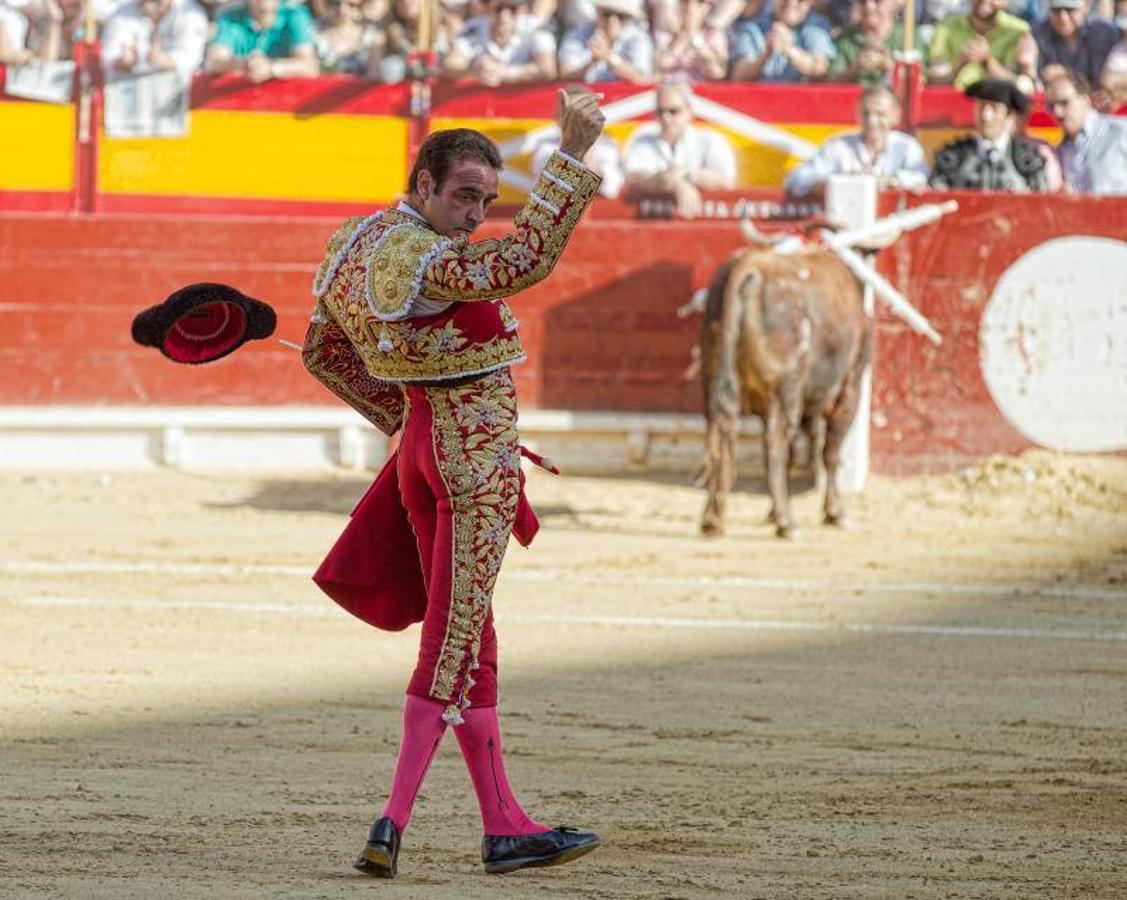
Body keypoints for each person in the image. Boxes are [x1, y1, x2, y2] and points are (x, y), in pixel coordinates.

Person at [301, 92, 607, 878]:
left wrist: (400, 415)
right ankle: (390, 818)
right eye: (463, 193)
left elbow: (322, 352)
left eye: (485, 198)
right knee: (452, 641)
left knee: (475, 637)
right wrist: (568, 158)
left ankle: (505, 823)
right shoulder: (427, 258)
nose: (473, 213)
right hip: (471, 467)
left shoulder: (357, 241)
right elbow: (523, 261)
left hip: (425, 453)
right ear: (424, 183)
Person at [785, 84, 930, 196]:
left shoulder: (906, 146)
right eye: (866, 114)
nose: (872, 121)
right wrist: (837, 183)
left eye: (880, 114)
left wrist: (890, 181)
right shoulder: (839, 145)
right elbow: (795, 180)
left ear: (895, 116)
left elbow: (921, 177)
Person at [622, 79, 738, 217]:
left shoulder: (711, 140)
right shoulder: (643, 140)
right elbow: (632, 180)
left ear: (689, 111)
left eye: (673, 111)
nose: (666, 118)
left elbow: (726, 181)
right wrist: (673, 183)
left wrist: (685, 175)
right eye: (660, 112)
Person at [930, 76, 1050, 190]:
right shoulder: (953, 157)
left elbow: (1044, 204)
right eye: (981, 107)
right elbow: (937, 198)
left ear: (1009, 115)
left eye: (995, 108)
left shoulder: (1028, 159)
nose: (985, 116)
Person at [530, 84, 625, 197]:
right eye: (571, 115)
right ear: (558, 118)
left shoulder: (608, 147)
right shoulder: (545, 148)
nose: (578, 121)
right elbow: (551, 195)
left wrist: (587, 150)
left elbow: (609, 192)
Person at [1045, 69, 1127, 193]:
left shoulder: (1120, 131)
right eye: (1051, 106)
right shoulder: (1060, 150)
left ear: (1085, 101)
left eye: (1064, 103)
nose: (1057, 112)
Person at [928, 0, 1038, 89]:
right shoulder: (945, 28)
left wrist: (987, 62)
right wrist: (960, 63)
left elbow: (1024, 87)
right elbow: (934, 81)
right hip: (953, 105)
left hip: (1000, 108)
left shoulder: (1019, 31)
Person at [441, 0, 557, 84]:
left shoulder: (535, 29)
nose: (504, 16)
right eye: (498, 8)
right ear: (488, 9)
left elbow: (548, 70)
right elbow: (449, 66)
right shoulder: (475, 28)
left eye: (512, 9)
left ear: (523, 10)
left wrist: (508, 72)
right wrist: (474, 73)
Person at [204, 0, 319, 83]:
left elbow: (309, 66)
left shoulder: (295, 16)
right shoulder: (230, 17)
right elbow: (212, 63)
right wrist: (246, 64)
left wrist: (272, 68)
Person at [100, 0, 208, 83]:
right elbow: (109, 54)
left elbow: (191, 59)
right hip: (130, 91)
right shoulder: (122, 12)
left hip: (178, 95)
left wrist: (164, 61)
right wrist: (122, 62)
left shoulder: (190, 13)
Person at [729, 0, 835, 82]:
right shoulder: (753, 28)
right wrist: (766, 55)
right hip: (756, 101)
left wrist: (789, 50)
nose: (791, 3)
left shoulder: (816, 26)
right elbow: (739, 75)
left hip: (803, 103)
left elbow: (821, 68)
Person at [557, 0, 653, 83]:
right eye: (607, 14)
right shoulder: (578, 33)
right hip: (585, 98)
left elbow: (641, 77)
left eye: (621, 16)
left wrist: (608, 57)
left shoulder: (638, 38)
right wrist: (591, 63)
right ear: (597, 12)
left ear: (629, 19)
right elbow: (565, 74)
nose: (612, 21)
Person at [1033, 0, 1119, 86]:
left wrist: (1067, 74)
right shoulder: (1040, 33)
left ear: (1086, 6)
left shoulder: (1103, 32)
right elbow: (1038, 76)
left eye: (1070, 9)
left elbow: (1104, 78)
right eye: (1056, 10)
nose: (1063, 17)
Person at [829, 0, 906, 86]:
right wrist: (854, 69)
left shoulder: (907, 36)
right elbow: (831, 82)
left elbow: (920, 79)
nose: (869, 7)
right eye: (862, 1)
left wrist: (891, 67)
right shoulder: (846, 39)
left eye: (877, 1)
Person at [653, 0, 730, 80]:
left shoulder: (713, 35)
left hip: (700, 89)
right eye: (685, 2)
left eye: (699, 3)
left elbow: (717, 73)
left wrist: (695, 39)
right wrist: (680, 38)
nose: (690, 8)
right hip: (670, 86)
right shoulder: (666, 33)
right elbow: (658, 67)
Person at [312, 0, 385, 76]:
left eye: (351, 5)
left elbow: (373, 74)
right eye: (335, 3)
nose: (342, 10)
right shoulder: (312, 31)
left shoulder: (371, 36)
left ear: (360, 7)